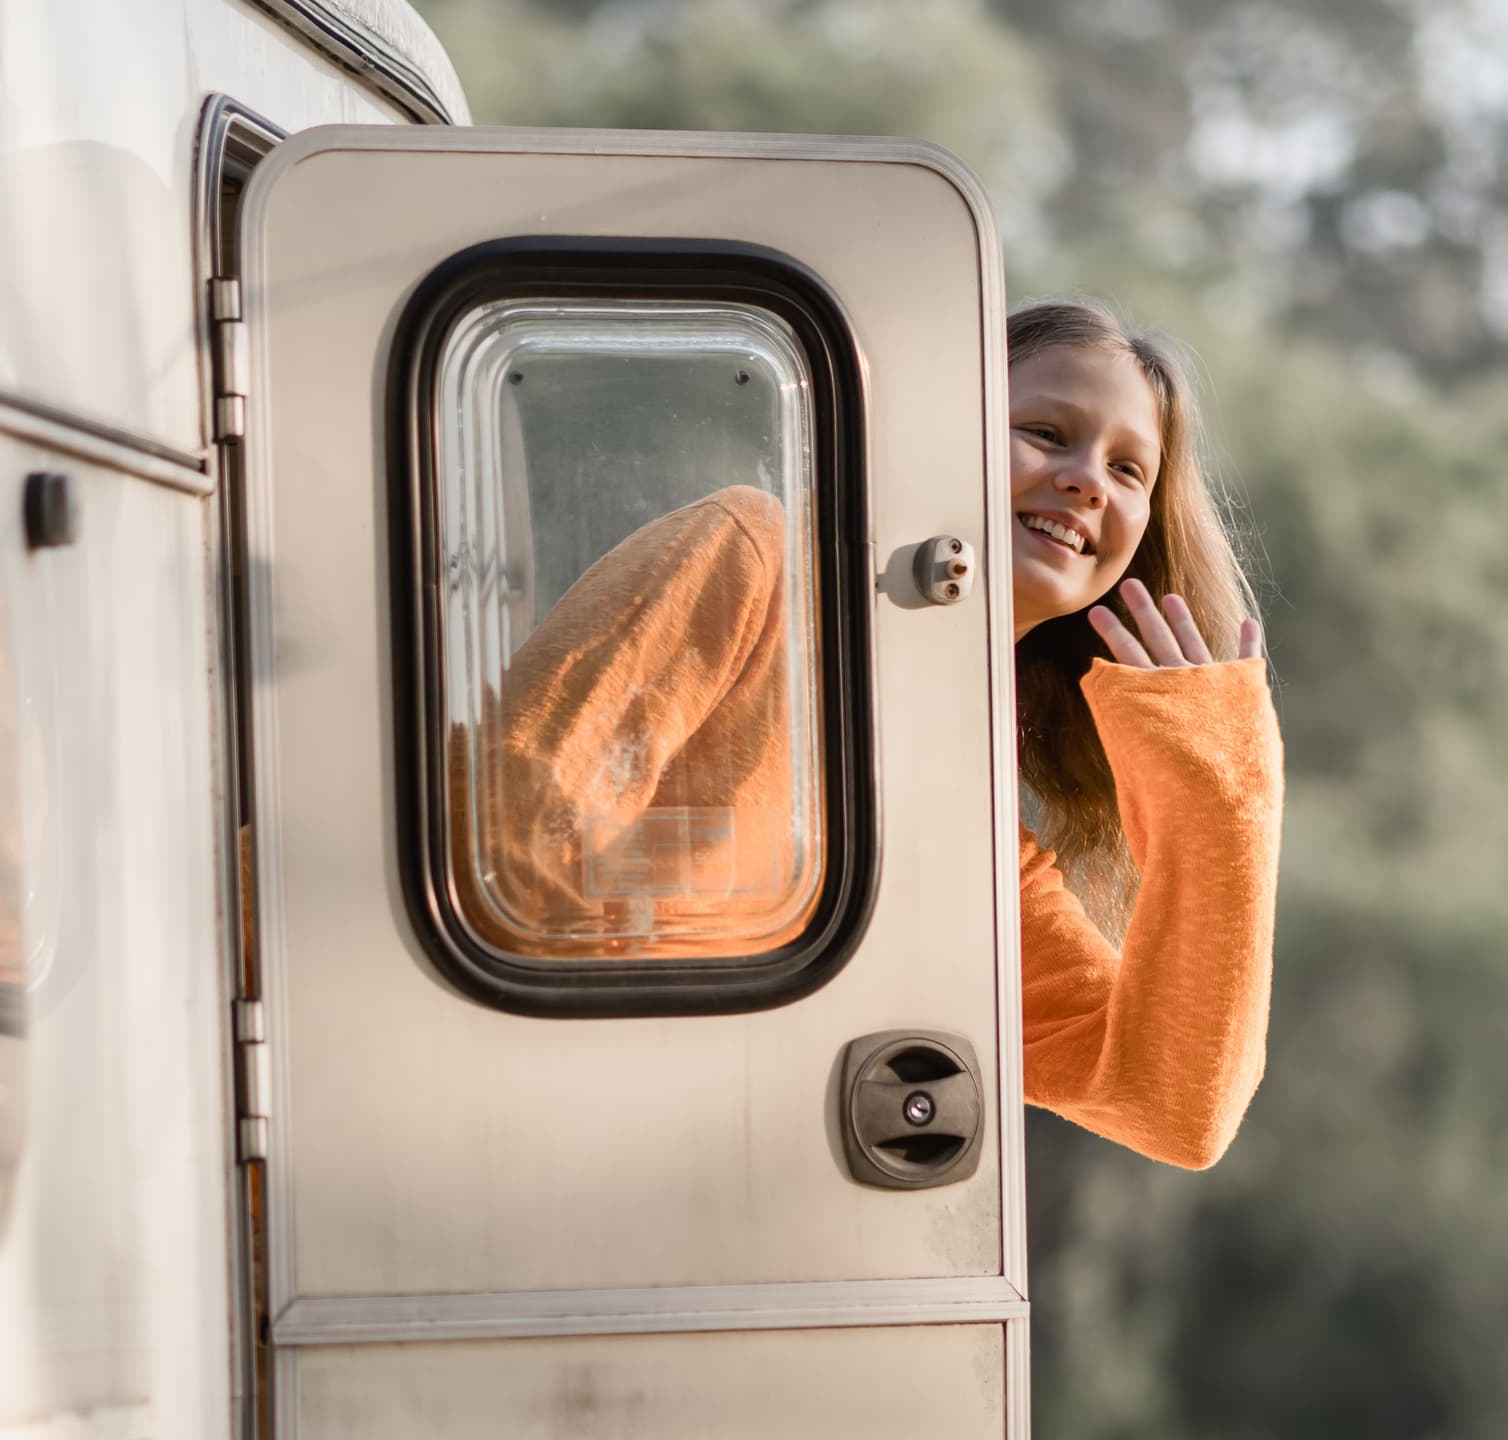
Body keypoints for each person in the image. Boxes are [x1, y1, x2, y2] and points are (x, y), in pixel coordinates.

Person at [457, 298, 1281, 1171]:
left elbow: (1171, 1107)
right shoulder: (752, 554)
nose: (1086, 480)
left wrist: (1217, 787)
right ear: (934, 427)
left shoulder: (983, 829)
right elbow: (509, 843)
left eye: (1128, 471)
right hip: (546, 1151)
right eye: (1044, 432)